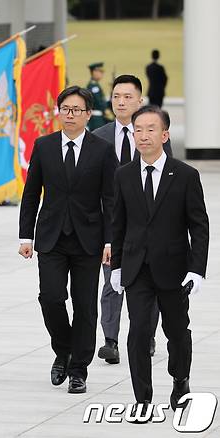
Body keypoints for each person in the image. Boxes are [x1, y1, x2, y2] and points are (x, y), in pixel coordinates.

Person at [111, 106, 208, 422]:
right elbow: (119, 223)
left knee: (177, 332)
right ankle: (143, 398)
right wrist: (116, 266)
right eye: (138, 129)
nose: (143, 135)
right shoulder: (124, 174)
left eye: (150, 129)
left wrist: (197, 268)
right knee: (138, 330)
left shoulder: (185, 175)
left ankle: (180, 380)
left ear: (165, 135)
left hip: (175, 270)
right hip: (137, 268)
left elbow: (199, 226)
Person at [19, 86, 116, 395]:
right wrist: (26, 236)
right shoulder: (44, 146)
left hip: (89, 240)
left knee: (85, 306)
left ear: (88, 114)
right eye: (65, 109)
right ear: (58, 112)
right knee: (50, 297)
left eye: (77, 110)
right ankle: (64, 350)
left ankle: (78, 369)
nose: (70, 115)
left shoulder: (101, 149)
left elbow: (111, 199)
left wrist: (111, 241)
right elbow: (31, 193)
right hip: (51, 237)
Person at [92, 74, 172, 364]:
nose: (121, 102)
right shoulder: (98, 138)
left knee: (147, 285)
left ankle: (146, 335)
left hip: (147, 226)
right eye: (116, 97)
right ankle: (110, 341)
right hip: (111, 227)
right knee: (111, 284)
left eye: (127, 97)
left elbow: (168, 181)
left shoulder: (154, 134)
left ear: (139, 100)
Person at [86, 62, 112, 131]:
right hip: (96, 118)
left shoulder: (95, 85)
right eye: (100, 72)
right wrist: (105, 109)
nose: (102, 74)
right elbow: (99, 101)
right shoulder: (94, 86)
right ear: (94, 72)